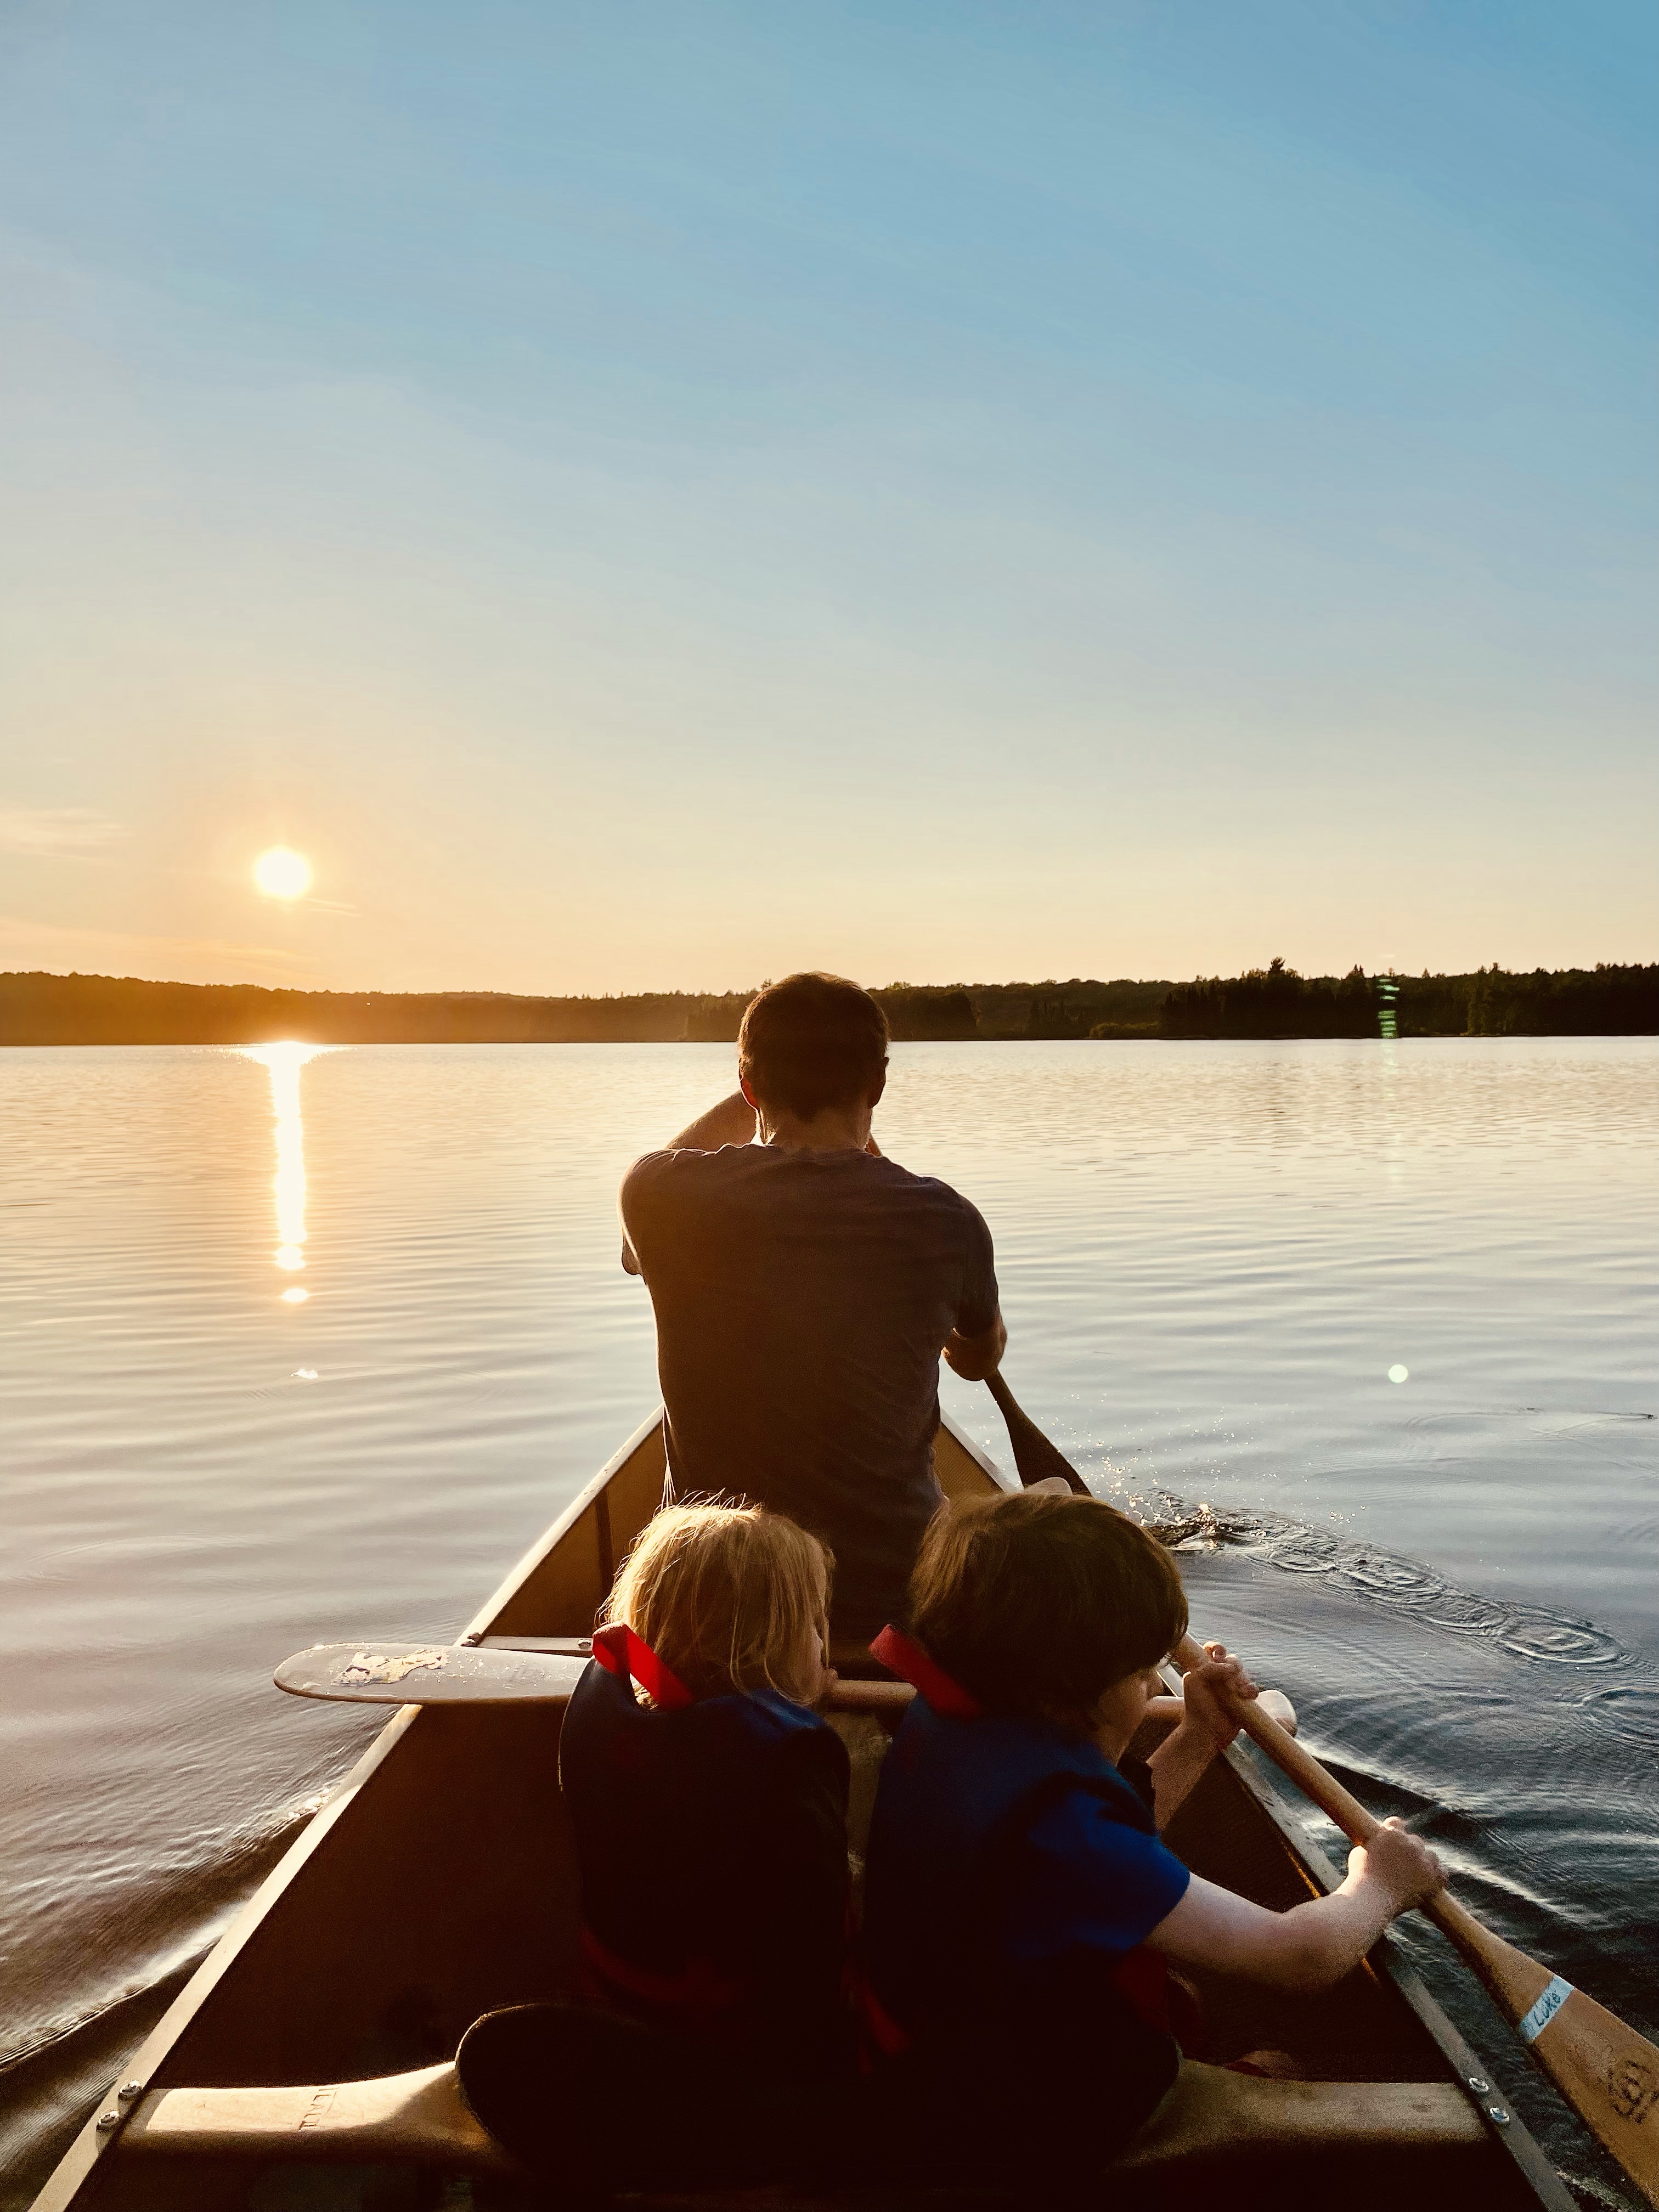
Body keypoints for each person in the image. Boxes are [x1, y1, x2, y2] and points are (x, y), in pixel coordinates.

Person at [860, 1488, 1448, 2180]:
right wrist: (1380, 1883)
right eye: (1142, 1674)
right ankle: (1217, 2085)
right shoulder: (1064, 1829)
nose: (1151, 1686)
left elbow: (1092, 1866)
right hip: (1019, 2120)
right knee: (1279, 2060)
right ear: (1069, 1694)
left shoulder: (948, 1725)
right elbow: (1299, 1958)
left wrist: (1198, 1736)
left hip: (925, 2048)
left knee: (1180, 1997)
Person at [619, 971, 1006, 1649]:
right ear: (878, 1085)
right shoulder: (947, 1220)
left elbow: (631, 1252)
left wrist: (762, 1077)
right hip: (888, 1605)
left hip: (720, 1599)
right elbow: (976, 1361)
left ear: (748, 1086)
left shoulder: (658, 1192)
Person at [557, 1500, 854, 2078]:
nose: (823, 1645)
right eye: (814, 1628)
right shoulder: (787, 1768)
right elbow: (808, 1972)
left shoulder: (606, 1716)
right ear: (773, 1648)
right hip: (740, 2071)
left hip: (618, 2029)